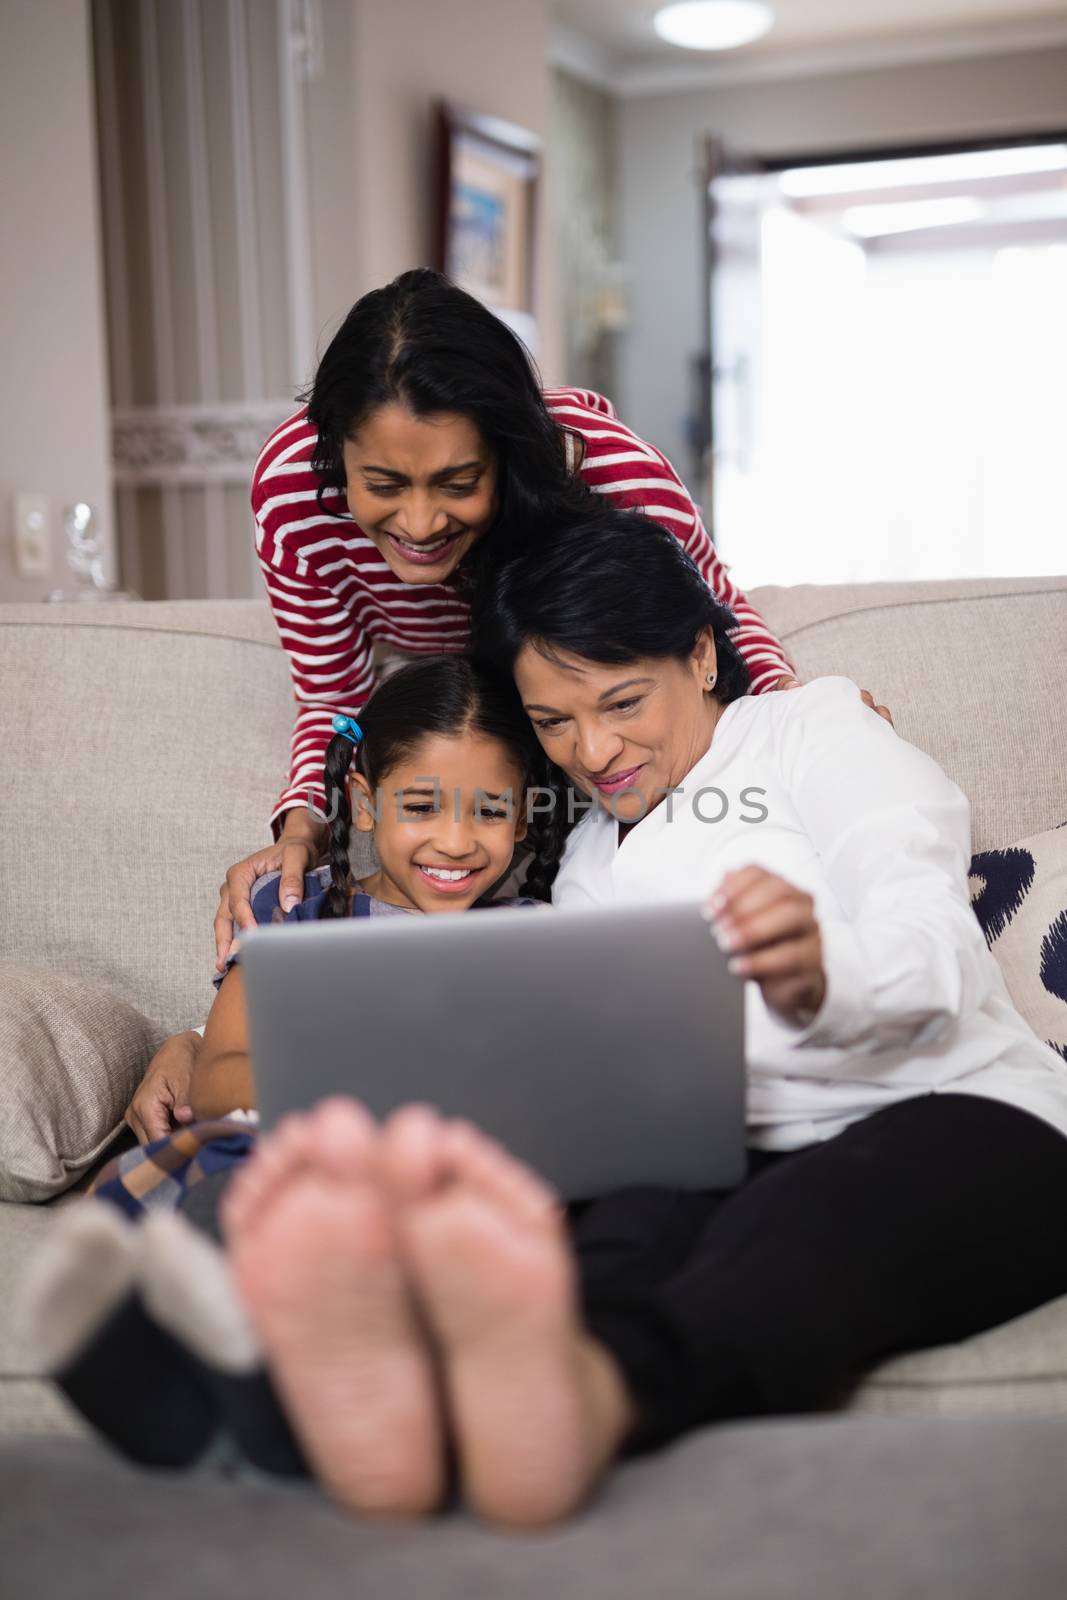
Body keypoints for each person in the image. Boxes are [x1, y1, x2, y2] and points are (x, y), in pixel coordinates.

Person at [55, 509, 1067, 1529]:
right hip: (723, 1134)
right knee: (605, 1239)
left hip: (953, 1111)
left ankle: (573, 1409)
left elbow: (931, 947)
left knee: (792, 1237)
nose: (593, 750)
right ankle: (330, 1415)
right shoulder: (583, 857)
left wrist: (818, 977)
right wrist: (194, 1040)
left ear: (702, 655)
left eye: (621, 702)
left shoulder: (819, 732)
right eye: (552, 722)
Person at [213, 267, 800, 973]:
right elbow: (336, 701)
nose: (421, 524)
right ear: (338, 454)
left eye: (459, 484)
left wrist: (796, 720)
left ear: (509, 451)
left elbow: (713, 617)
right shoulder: (292, 496)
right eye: (383, 485)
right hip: (466, 712)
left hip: (559, 699)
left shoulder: (615, 473)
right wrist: (304, 819)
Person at [121, 656, 542, 1165]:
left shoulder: (535, 937)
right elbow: (213, 1084)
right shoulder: (300, 916)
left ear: (520, 818)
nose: (455, 842)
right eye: (421, 807)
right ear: (364, 805)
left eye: (490, 811)